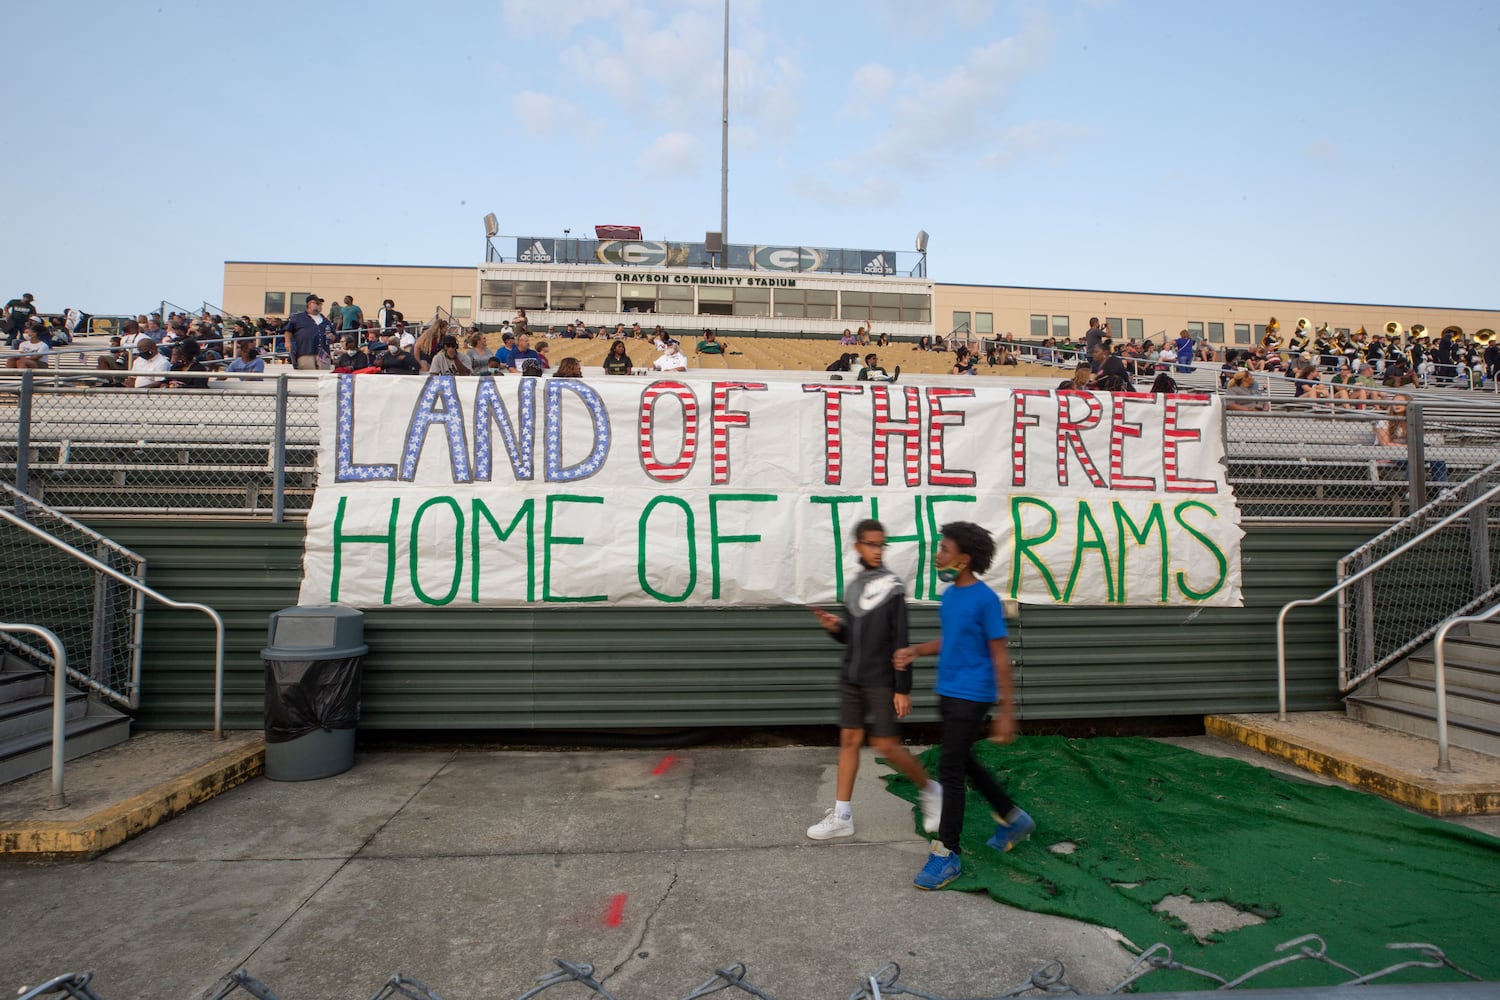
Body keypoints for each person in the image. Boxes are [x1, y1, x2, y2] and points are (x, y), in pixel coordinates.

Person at [895, 522, 1034, 891]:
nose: (938, 554)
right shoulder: (951, 595)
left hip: (973, 694)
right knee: (963, 760)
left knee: (951, 770)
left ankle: (947, 854)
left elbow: (999, 655)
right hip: (949, 690)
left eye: (944, 549)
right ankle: (1012, 816)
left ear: (965, 558)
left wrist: (1007, 712)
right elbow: (953, 638)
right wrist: (918, 650)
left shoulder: (985, 600)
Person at [806, 519, 942, 841]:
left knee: (885, 746)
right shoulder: (853, 587)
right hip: (851, 677)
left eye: (881, 545)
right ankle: (842, 816)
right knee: (849, 741)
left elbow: (901, 639)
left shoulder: (893, 587)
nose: (877, 550)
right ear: (858, 547)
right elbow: (854, 638)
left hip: (882, 678)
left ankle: (932, 790)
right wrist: (836, 628)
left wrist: (902, 687)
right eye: (871, 544)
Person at [283, 294, 334, 370]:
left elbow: (334, 335)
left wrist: (332, 337)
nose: (319, 305)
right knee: (307, 374)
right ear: (309, 304)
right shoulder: (298, 317)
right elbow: (288, 330)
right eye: (317, 303)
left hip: (323, 353)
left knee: (323, 375)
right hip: (305, 351)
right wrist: (287, 342)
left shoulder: (326, 321)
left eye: (320, 304)